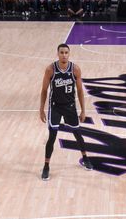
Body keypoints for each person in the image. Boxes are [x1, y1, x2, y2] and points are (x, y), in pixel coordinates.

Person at [39, 43, 93, 180]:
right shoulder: (50, 69)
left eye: (66, 52)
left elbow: (80, 91)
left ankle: (85, 158)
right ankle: (46, 166)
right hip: (55, 106)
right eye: (61, 52)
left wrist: (83, 110)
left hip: (70, 106)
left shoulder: (75, 69)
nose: (64, 55)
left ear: (69, 54)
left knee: (77, 133)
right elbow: (44, 90)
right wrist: (41, 109)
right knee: (52, 136)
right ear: (57, 54)